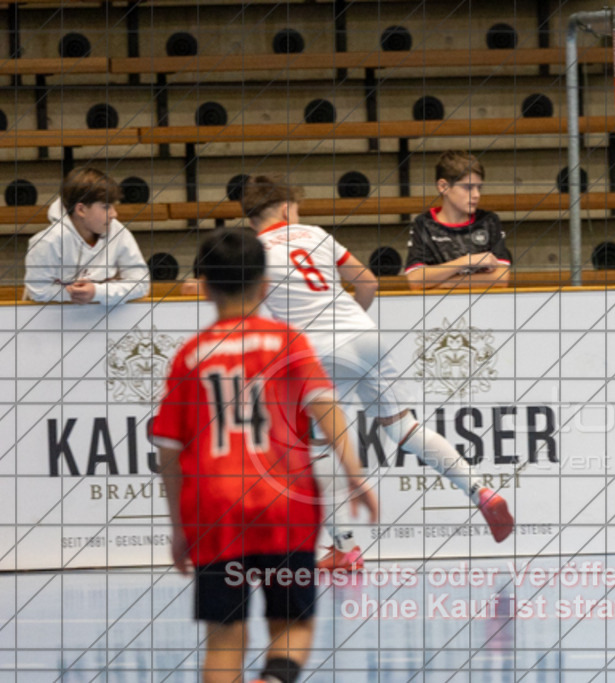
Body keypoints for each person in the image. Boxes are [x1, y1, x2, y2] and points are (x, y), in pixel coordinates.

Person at [241, 175, 515, 572]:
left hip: (316, 352)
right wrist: (354, 329)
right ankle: (480, 490)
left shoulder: (254, 250)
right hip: (365, 335)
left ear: (253, 220)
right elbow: (366, 282)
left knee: (314, 446)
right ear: (286, 208)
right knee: (403, 429)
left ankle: (345, 547)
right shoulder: (316, 234)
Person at [152, 227, 378, 683]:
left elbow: (170, 456)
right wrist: (354, 473)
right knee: (293, 624)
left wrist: (180, 529)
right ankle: (274, 679)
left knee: (224, 639)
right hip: (284, 505)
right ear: (265, 284)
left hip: (214, 509)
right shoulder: (287, 341)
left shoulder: (190, 358)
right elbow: (326, 406)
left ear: (205, 284)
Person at [24, 167, 150, 304]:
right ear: (81, 209)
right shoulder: (47, 242)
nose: (114, 214)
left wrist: (97, 292)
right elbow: (37, 291)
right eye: (106, 207)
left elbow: (142, 284)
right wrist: (74, 294)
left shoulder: (118, 232)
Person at [403, 150, 512, 290]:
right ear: (443, 187)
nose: (476, 195)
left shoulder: (488, 221)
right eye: (468, 187)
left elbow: (501, 278)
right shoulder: (424, 224)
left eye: (479, 188)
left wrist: (442, 284)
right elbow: (416, 280)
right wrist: (467, 261)